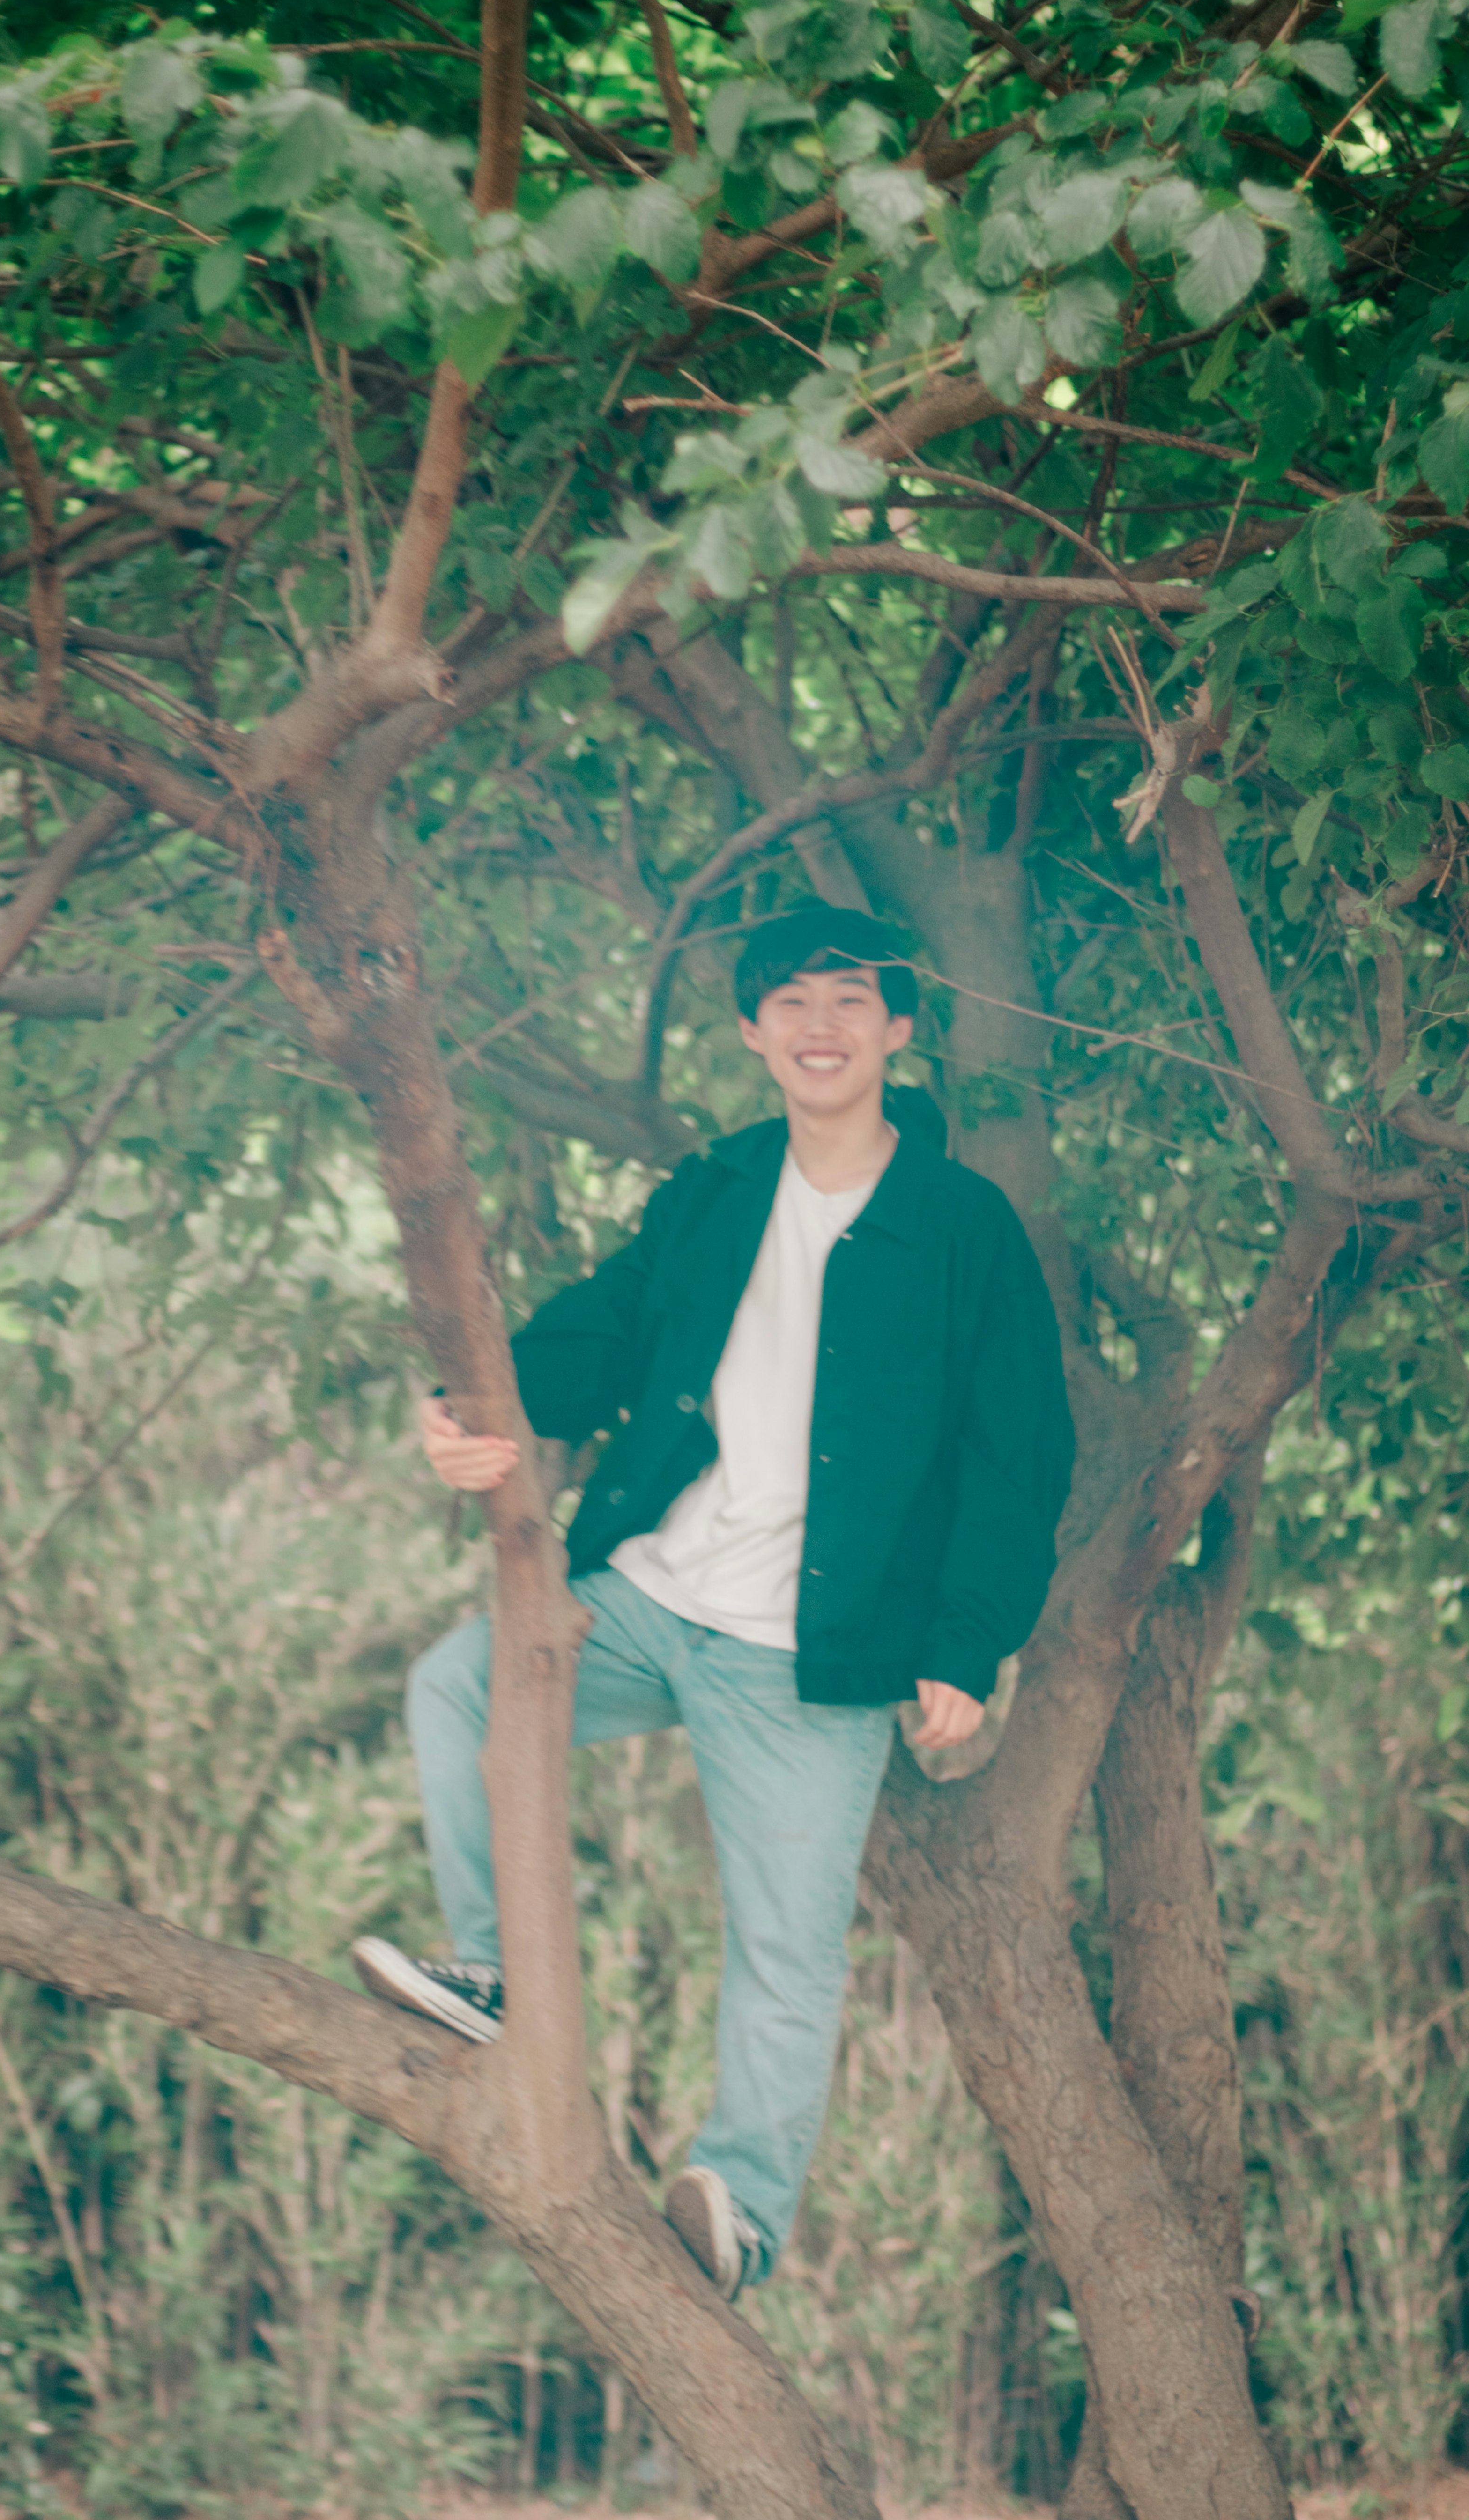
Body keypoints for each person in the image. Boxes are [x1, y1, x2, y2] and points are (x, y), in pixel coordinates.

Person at [356, 904, 1073, 2299]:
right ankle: (489, 1974)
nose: (821, 1025)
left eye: (851, 1000)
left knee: (790, 1952)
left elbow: (1017, 1450)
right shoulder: (715, 1187)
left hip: (813, 1655)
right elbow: (605, 1328)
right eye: (791, 1002)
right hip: (645, 1592)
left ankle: (737, 2209)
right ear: (752, 1032)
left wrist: (966, 1642)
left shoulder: (959, 1224)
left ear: (900, 1028)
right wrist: (469, 1404)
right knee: (456, 1682)